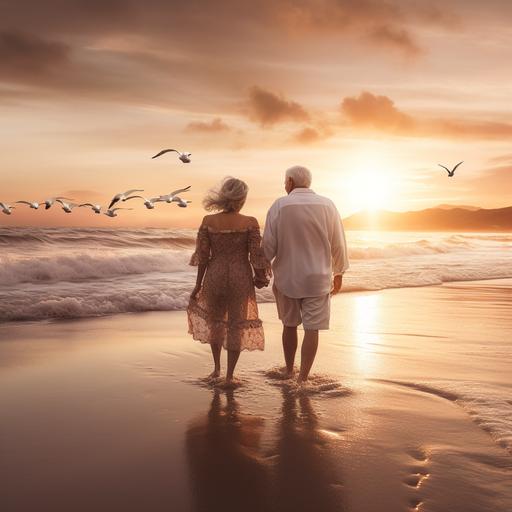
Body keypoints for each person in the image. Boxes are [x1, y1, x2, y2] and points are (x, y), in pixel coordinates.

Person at [262, 165, 349, 383]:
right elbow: (338, 242)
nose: (284, 185)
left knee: (289, 325)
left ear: (290, 181)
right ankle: (303, 378)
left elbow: (269, 244)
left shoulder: (280, 205)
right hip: (318, 277)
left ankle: (289, 370)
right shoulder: (327, 204)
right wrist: (339, 272)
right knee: (312, 328)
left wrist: (262, 267)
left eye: (285, 181)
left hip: (288, 276)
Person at [187, 177, 271, 383]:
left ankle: (216, 370)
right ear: (242, 199)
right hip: (240, 277)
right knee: (235, 325)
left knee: (215, 323)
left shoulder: (208, 221)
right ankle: (230, 376)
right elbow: (255, 255)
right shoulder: (250, 222)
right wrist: (261, 276)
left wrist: (198, 285)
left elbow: (203, 257)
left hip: (214, 276)